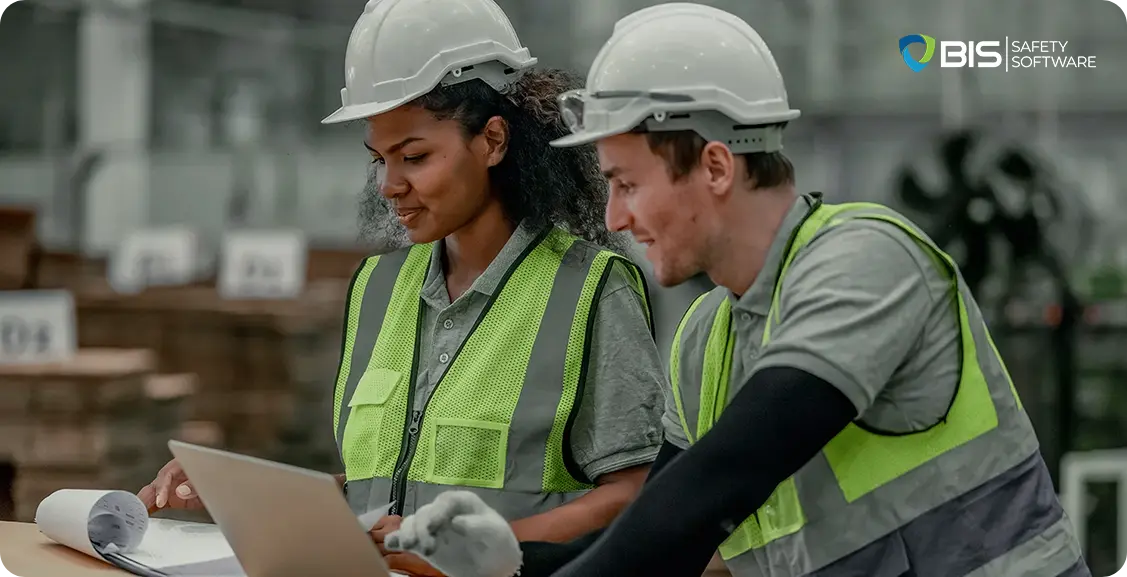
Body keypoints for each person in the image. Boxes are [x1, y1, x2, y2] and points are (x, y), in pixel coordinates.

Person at [381, 4, 1092, 577]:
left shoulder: (865, 261)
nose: (614, 217)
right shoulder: (704, 339)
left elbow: (725, 476)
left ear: (715, 165)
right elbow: (661, 534)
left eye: (626, 183)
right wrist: (511, 560)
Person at [138, 0, 671, 574]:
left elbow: (634, 493)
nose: (391, 186)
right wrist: (238, 491)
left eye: (414, 156)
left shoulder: (590, 291)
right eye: (380, 160)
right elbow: (381, 490)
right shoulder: (376, 287)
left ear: (493, 141)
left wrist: (467, 551)